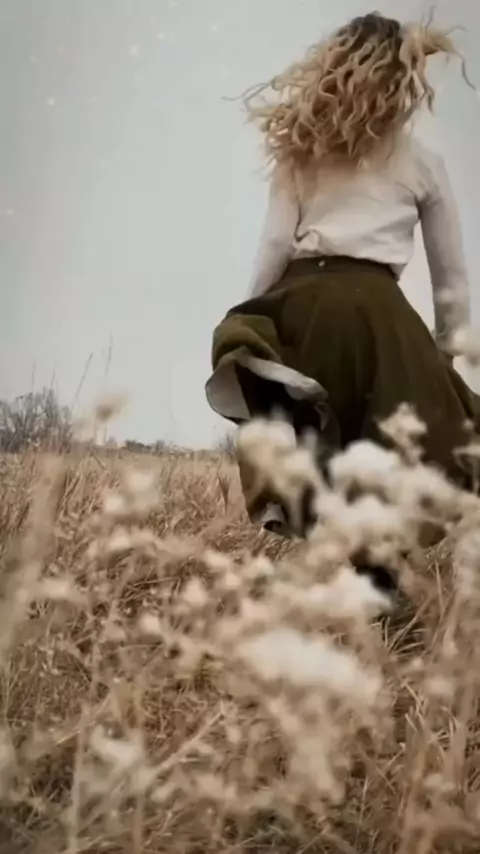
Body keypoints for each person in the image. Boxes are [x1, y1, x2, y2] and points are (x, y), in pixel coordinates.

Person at [205, 13, 479, 559]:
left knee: (319, 450)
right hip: (382, 319)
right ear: (404, 77)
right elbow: (450, 276)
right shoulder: (424, 163)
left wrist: (252, 318)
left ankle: (338, 577)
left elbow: (274, 247)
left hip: (303, 306)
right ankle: (378, 587)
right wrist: (443, 357)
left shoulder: (299, 151)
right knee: (393, 462)